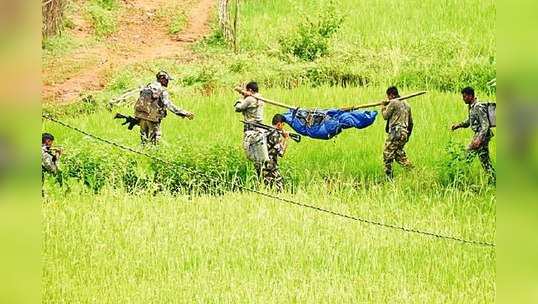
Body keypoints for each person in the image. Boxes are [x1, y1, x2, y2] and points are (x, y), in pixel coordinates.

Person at [134, 70, 194, 144]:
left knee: (144, 141)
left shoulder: (148, 87)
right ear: (162, 79)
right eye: (166, 80)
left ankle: (142, 154)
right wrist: (184, 113)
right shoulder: (161, 90)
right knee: (154, 141)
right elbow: (168, 104)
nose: (167, 82)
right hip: (153, 119)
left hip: (142, 117)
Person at [451, 86, 495, 183]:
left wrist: (479, 139)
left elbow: (485, 125)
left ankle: (458, 179)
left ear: (471, 96)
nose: (463, 99)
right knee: (485, 161)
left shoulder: (478, 107)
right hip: (480, 135)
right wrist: (458, 125)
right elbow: (470, 121)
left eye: (465, 96)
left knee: (466, 156)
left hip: (482, 136)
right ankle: (494, 180)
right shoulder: (472, 107)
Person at [234, 81, 269, 177]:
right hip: (260, 127)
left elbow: (238, 108)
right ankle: (263, 173)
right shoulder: (260, 97)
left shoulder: (249, 99)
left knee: (252, 153)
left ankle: (259, 175)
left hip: (250, 128)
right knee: (261, 152)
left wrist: (241, 99)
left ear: (249, 90)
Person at [381, 86, 414, 179]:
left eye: (388, 96)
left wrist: (383, 106)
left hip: (395, 132)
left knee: (387, 154)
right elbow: (411, 123)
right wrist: (408, 136)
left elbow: (385, 116)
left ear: (391, 95)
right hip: (404, 133)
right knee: (399, 154)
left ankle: (389, 177)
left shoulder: (393, 102)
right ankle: (412, 171)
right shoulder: (407, 105)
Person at [263, 114, 289, 191]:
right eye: (283, 125)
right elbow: (281, 153)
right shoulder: (275, 134)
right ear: (279, 124)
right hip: (271, 165)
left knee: (266, 185)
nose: (283, 127)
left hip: (264, 162)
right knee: (279, 186)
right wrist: (286, 139)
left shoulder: (267, 131)